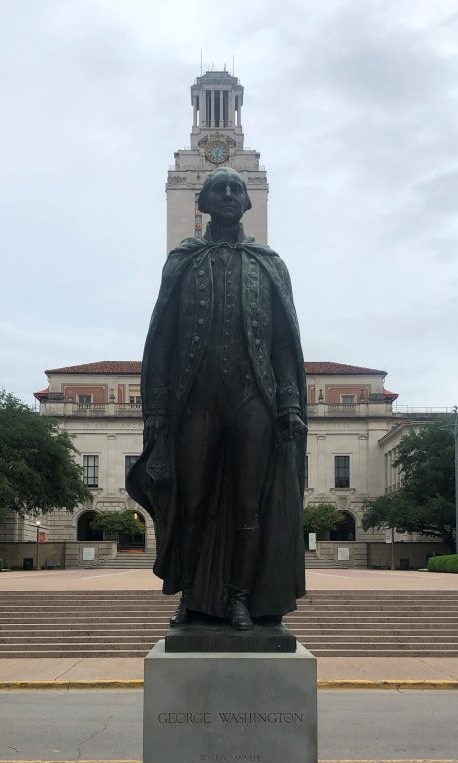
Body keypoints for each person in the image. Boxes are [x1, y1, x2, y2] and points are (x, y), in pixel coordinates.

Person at [127, 167, 307, 630]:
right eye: (218, 189)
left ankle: (242, 596)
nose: (228, 194)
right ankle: (192, 594)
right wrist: (157, 410)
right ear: (201, 203)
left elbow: (285, 342)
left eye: (236, 189)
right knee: (192, 500)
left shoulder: (270, 263)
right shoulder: (183, 260)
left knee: (251, 504)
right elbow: (162, 338)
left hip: (254, 399)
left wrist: (289, 402)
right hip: (195, 401)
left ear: (247, 203)